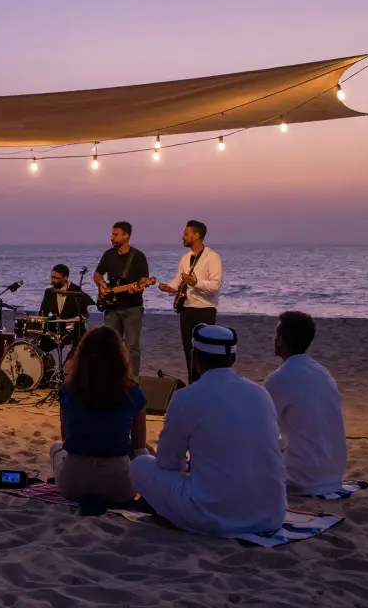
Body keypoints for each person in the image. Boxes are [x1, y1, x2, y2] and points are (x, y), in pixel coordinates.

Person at [131, 324, 287, 536]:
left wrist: (187, 465)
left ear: (196, 358)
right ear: (232, 359)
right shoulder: (260, 394)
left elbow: (167, 463)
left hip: (214, 516)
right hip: (270, 514)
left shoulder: (186, 397)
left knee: (139, 464)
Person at [50, 326, 150, 503]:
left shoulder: (68, 390)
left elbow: (67, 439)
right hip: (118, 487)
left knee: (56, 448)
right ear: (120, 358)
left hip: (73, 484)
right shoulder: (133, 392)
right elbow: (138, 447)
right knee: (147, 451)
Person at [264, 311, 347, 495]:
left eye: (276, 334)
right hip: (334, 474)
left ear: (281, 340)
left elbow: (261, 428)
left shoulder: (280, 378)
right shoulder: (323, 372)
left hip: (303, 478)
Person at [158, 221, 223, 375]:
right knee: (189, 353)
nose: (183, 237)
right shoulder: (185, 258)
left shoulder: (212, 257)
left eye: (186, 234)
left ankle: (206, 387)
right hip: (186, 310)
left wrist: (196, 282)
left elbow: (215, 285)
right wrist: (169, 287)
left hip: (205, 310)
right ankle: (193, 385)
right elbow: (179, 280)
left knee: (205, 354)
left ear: (197, 235)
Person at [93, 222, 151, 374]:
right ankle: (112, 379)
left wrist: (139, 287)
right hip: (112, 308)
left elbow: (145, 280)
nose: (112, 237)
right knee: (110, 346)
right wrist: (101, 284)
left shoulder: (138, 257)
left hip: (133, 308)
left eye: (115, 234)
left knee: (132, 347)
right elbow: (97, 273)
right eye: (112, 234)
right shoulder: (108, 255)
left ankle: (132, 381)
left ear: (126, 236)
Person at [38, 264, 89, 356]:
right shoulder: (49, 292)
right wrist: (50, 317)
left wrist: (78, 318)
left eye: (57, 278)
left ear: (65, 278)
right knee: (41, 347)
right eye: (52, 277)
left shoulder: (76, 291)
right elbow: (43, 312)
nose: (54, 281)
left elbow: (85, 313)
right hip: (53, 330)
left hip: (72, 331)